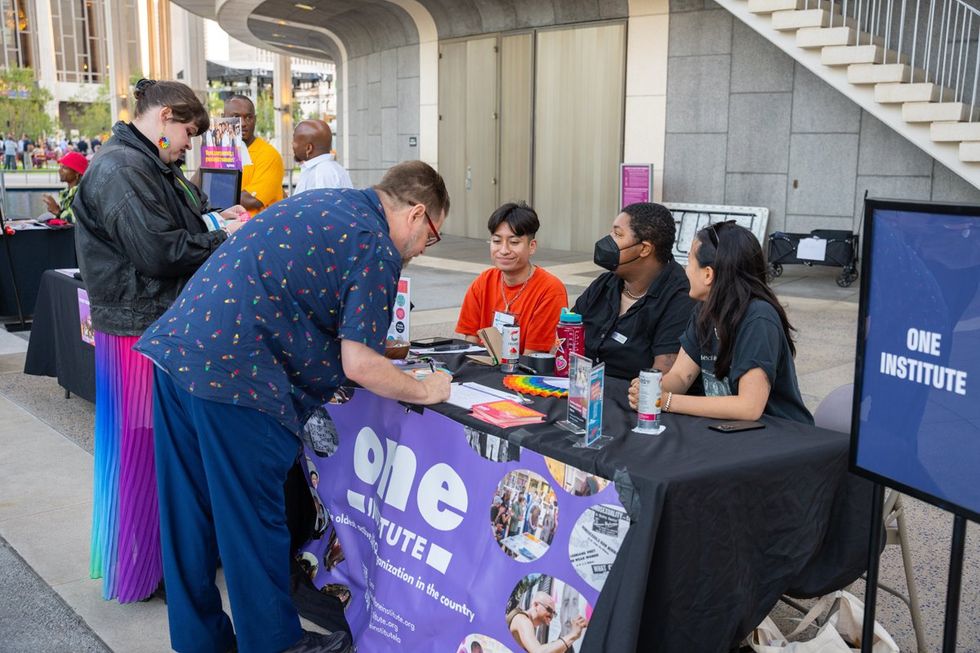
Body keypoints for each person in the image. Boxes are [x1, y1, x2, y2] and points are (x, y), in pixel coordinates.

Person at [134, 160, 452, 653]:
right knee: (251, 523)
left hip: (179, 354)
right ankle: (274, 645)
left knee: (187, 517)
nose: (422, 248)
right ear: (415, 215)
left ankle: (199, 641)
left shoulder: (322, 203)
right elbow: (361, 364)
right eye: (431, 236)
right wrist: (425, 390)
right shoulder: (376, 244)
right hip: (240, 380)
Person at [72, 78, 248, 604]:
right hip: (137, 330)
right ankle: (149, 566)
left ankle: (155, 561)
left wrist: (213, 222)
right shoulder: (122, 168)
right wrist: (223, 235)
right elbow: (157, 252)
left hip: (144, 324)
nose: (190, 144)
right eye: (189, 132)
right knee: (146, 451)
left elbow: (166, 235)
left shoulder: (137, 162)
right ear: (166, 116)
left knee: (150, 451)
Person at [629, 221, 812, 424]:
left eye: (689, 261)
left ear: (708, 274)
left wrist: (666, 402)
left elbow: (749, 407)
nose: (685, 269)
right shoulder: (705, 310)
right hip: (733, 431)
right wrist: (652, 388)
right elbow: (681, 377)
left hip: (782, 434)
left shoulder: (759, 317)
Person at [572, 202, 694, 380]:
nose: (608, 240)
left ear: (644, 249)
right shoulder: (605, 284)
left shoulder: (679, 298)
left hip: (629, 400)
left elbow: (662, 377)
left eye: (618, 234)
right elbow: (566, 337)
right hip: (581, 391)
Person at [456, 202, 568, 353]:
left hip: (522, 373)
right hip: (482, 368)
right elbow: (471, 341)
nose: (503, 250)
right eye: (496, 241)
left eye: (514, 242)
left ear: (532, 246)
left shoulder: (550, 290)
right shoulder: (484, 281)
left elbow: (533, 356)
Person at [223, 95, 284, 215]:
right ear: (223, 119)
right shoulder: (219, 152)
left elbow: (252, 200)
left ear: (255, 120)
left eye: (248, 117)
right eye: (236, 117)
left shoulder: (268, 155)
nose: (243, 123)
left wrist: (211, 192)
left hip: (258, 230)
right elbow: (195, 189)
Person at [507, 591, 587, 653]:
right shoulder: (523, 620)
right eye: (549, 609)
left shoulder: (525, 620)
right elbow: (538, 652)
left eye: (554, 613)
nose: (551, 615)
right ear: (535, 605)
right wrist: (573, 635)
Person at [291, 119, 352, 194]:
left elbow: (322, 205)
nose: (292, 144)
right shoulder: (330, 169)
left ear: (308, 148)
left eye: (294, 140)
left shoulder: (321, 173)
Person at [40, 151, 87, 223]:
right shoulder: (66, 192)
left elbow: (78, 221)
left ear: (77, 173)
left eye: (64, 168)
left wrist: (57, 211)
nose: (59, 170)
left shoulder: (83, 193)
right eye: (60, 167)